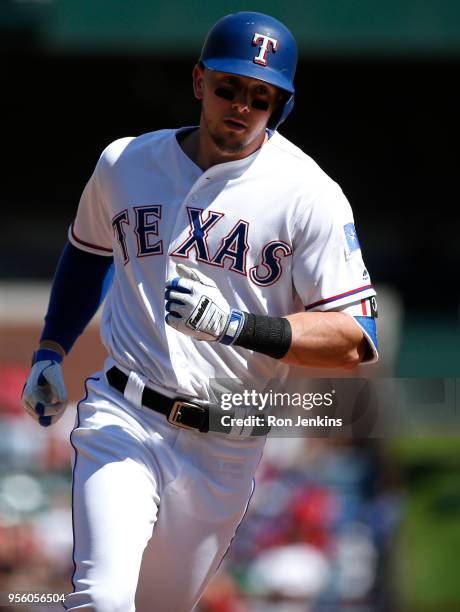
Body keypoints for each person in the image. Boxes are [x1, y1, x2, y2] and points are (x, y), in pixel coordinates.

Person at [21, 11, 378, 612]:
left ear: (280, 106)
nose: (241, 104)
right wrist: (51, 349)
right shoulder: (126, 162)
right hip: (125, 415)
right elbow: (86, 253)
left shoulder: (309, 195)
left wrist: (238, 327)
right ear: (198, 81)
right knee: (103, 599)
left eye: (261, 96)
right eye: (228, 87)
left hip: (227, 444)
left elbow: (354, 341)